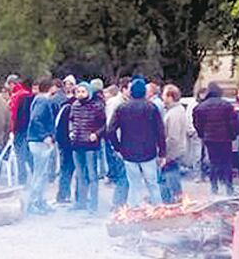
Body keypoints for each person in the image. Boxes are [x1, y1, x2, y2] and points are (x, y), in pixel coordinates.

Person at [109, 78, 166, 208]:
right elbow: (160, 132)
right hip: (149, 152)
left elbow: (110, 130)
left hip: (128, 153)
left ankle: (133, 211)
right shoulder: (152, 108)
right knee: (152, 184)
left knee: (134, 184)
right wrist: (162, 153)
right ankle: (158, 209)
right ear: (144, 92)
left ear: (131, 92)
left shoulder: (122, 108)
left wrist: (118, 148)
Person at [193, 82, 238, 196]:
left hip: (210, 138)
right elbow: (233, 123)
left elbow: (197, 124)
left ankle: (214, 187)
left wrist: (202, 135)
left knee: (213, 162)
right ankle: (229, 187)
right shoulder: (227, 105)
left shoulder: (200, 107)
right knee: (227, 162)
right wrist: (232, 135)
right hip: (225, 138)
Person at [69, 82, 106, 214]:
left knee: (92, 175)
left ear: (89, 92)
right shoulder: (74, 105)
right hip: (77, 143)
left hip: (91, 145)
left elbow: (104, 125)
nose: (80, 94)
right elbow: (71, 121)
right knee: (80, 175)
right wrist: (71, 131)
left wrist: (96, 134)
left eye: (83, 91)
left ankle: (94, 204)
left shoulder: (97, 106)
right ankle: (81, 202)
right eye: (78, 92)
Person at [26, 78, 58, 215]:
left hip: (36, 140)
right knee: (39, 173)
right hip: (39, 141)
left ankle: (40, 201)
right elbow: (35, 118)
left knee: (41, 173)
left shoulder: (38, 99)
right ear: (51, 88)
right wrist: (45, 135)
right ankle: (34, 202)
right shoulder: (43, 101)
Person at [104, 77, 131, 208]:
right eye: (130, 89)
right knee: (123, 176)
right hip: (119, 145)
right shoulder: (115, 103)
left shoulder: (126, 102)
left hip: (126, 145)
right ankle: (118, 204)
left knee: (126, 176)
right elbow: (110, 127)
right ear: (124, 89)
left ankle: (121, 203)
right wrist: (117, 147)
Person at [161, 84, 188, 203]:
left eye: (164, 94)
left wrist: (165, 155)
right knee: (171, 176)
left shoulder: (174, 114)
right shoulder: (176, 110)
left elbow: (173, 138)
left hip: (173, 152)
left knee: (171, 176)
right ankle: (171, 199)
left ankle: (173, 200)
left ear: (170, 97)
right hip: (176, 150)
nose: (162, 97)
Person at [54, 86, 78, 204]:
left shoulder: (64, 106)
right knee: (70, 168)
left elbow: (57, 125)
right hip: (69, 143)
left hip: (63, 142)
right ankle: (65, 195)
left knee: (65, 169)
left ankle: (63, 195)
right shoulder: (73, 107)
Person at [8, 78, 34, 184]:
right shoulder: (30, 95)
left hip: (19, 129)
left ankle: (22, 179)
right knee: (28, 155)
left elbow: (13, 114)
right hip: (28, 129)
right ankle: (35, 173)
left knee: (20, 156)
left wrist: (12, 129)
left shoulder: (16, 96)